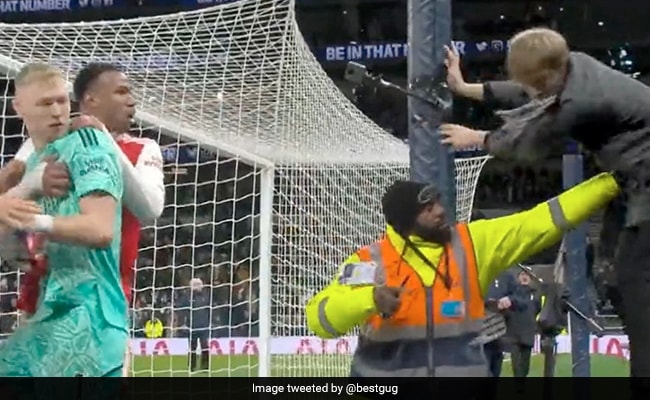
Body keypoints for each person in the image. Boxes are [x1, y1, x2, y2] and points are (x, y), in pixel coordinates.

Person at [439, 27, 650, 378]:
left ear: (547, 76)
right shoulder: (573, 65)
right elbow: (525, 92)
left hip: (645, 177)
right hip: (632, 179)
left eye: (534, 83)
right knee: (611, 275)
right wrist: (464, 89)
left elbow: (529, 144)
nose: (531, 90)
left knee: (634, 276)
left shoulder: (578, 103)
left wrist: (477, 137)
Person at [306, 172, 619, 381]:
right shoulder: (369, 262)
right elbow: (321, 320)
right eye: (428, 209)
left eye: (439, 202)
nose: (441, 211)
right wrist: (369, 299)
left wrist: (611, 183)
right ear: (405, 222)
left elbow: (541, 221)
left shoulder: (473, 243)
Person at [0, 63, 166, 376]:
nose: (132, 100)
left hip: (98, 300)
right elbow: (14, 190)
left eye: (60, 101)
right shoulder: (41, 150)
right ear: (89, 100)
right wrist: (22, 196)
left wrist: (29, 217)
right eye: (121, 91)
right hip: (46, 290)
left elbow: (149, 209)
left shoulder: (132, 148)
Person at [484, 271, 526, 377]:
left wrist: (510, 300)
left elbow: (522, 301)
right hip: (478, 334)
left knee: (494, 371)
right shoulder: (474, 273)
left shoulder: (506, 276)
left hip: (499, 336)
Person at [506, 270, 541, 379]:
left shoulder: (535, 293)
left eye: (527, 274)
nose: (524, 277)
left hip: (528, 330)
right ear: (518, 277)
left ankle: (521, 381)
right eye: (522, 274)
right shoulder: (513, 292)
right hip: (514, 330)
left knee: (525, 362)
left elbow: (537, 308)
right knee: (516, 362)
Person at [178, 277, 212, 372]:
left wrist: (210, 321)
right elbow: (181, 309)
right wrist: (183, 322)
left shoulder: (206, 296)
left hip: (203, 326)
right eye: (195, 285)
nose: (197, 287)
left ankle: (205, 367)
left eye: (199, 284)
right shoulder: (187, 297)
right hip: (192, 326)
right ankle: (191, 367)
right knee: (192, 348)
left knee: (205, 346)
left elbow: (209, 309)